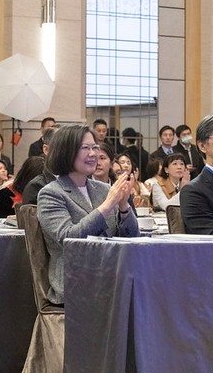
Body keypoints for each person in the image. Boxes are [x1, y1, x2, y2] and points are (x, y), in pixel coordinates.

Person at [37, 124, 139, 305]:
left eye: (95, 147)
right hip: (75, 280)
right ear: (66, 152)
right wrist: (107, 205)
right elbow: (69, 238)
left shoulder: (103, 189)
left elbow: (131, 238)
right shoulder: (51, 193)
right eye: (85, 148)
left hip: (110, 274)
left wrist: (123, 206)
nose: (93, 154)